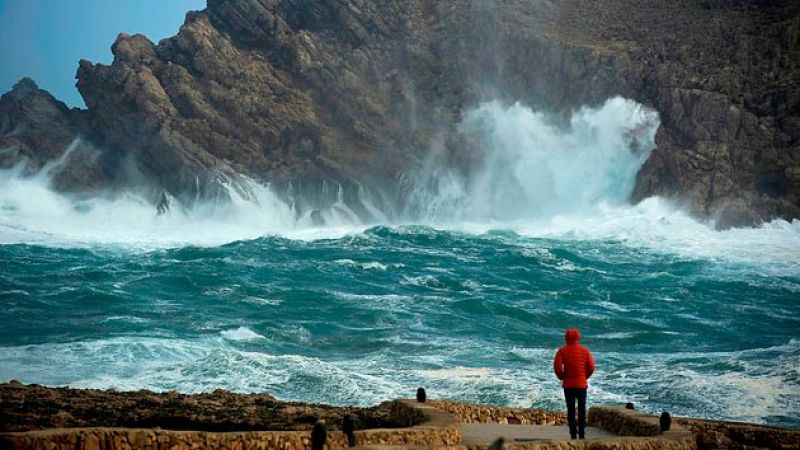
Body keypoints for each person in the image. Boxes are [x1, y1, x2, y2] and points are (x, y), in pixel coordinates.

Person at [553, 328, 595, 440]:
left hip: (568, 385)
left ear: (566, 338)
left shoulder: (562, 351)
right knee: (582, 410)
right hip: (581, 385)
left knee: (571, 410)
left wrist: (562, 376)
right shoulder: (585, 351)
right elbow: (591, 367)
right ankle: (582, 434)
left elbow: (557, 368)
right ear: (578, 338)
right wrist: (584, 377)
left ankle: (573, 434)